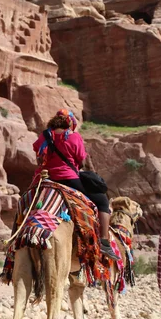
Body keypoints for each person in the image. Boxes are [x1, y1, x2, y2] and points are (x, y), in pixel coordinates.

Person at [33, 109, 119, 260]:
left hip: (45, 179)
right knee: (102, 201)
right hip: (68, 178)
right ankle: (104, 242)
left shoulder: (44, 136)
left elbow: (38, 155)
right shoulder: (73, 136)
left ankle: (15, 240)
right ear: (70, 122)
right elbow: (81, 158)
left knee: (26, 203)